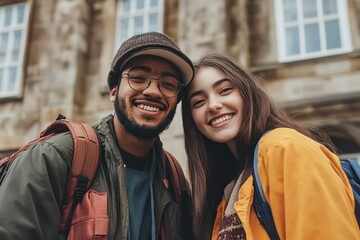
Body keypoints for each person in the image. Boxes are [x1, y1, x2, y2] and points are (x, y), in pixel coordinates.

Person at [0, 32, 195, 240]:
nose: (154, 91)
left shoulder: (175, 180)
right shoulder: (55, 156)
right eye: (138, 78)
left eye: (168, 84)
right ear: (113, 90)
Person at [181, 53, 360, 240]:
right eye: (199, 102)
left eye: (225, 90)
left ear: (247, 92)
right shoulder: (229, 187)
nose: (213, 105)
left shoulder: (285, 147)